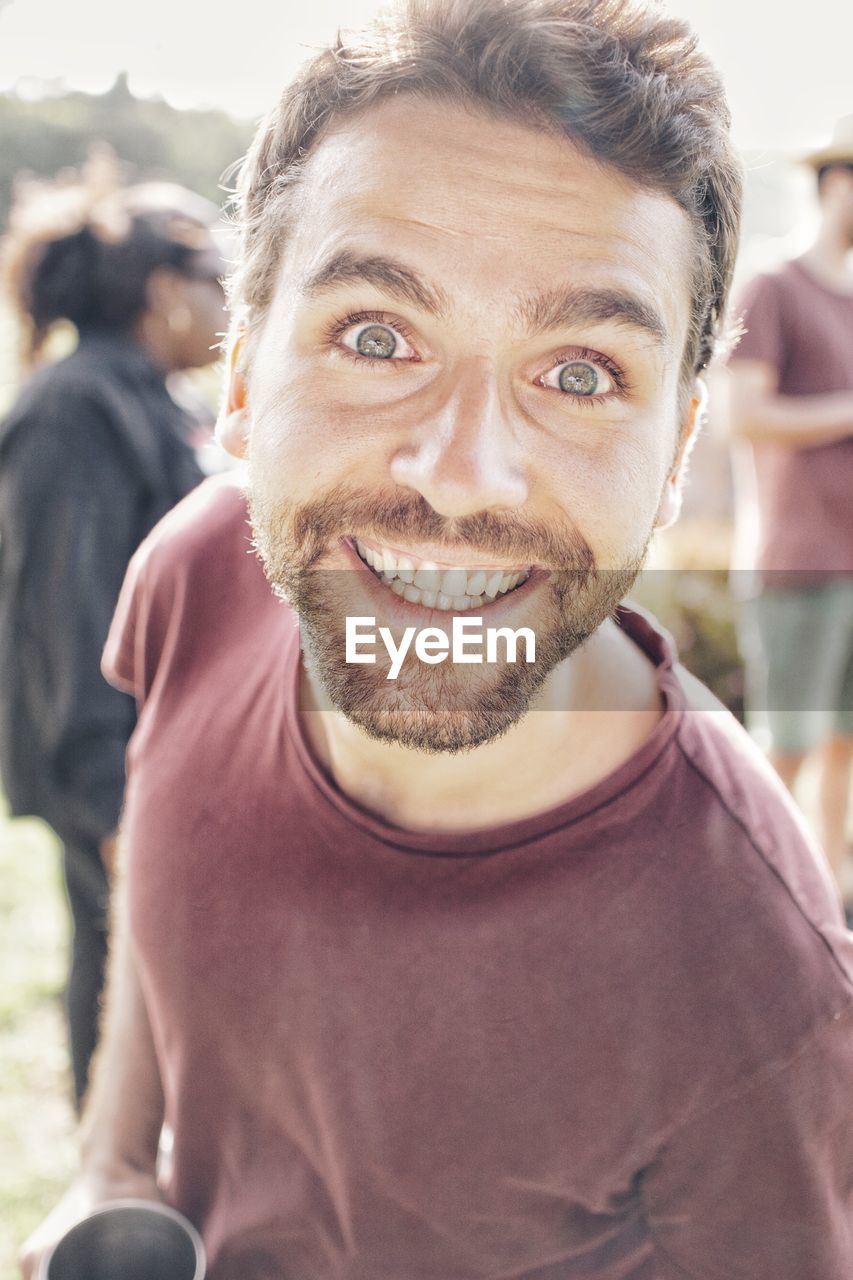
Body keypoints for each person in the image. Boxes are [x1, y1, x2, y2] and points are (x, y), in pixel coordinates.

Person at [21, 2, 853, 1277]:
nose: (464, 476)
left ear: (678, 449)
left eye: (577, 372)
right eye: (374, 336)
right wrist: (115, 1165)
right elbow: (161, 864)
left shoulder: (759, 984)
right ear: (242, 383)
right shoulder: (196, 573)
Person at [0, 176, 225, 1110]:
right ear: (164, 290)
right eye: (215, 273)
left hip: (162, 768)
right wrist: (110, 812)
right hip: (114, 780)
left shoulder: (158, 401)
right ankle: (113, 1225)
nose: (231, 299)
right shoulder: (75, 409)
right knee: (130, 1000)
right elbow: (66, 616)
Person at [727, 116, 853, 917]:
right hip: (796, 560)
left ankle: (828, 899)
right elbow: (745, 414)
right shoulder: (773, 288)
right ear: (836, 184)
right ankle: (739, 904)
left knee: (843, 746)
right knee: (787, 746)